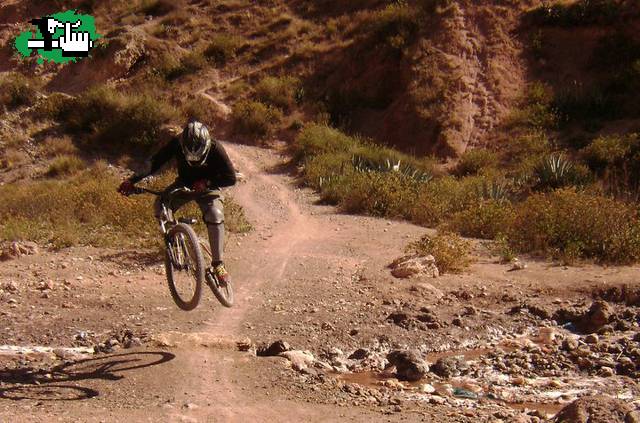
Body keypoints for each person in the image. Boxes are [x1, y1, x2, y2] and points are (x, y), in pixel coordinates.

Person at [118, 120, 236, 285]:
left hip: (209, 187)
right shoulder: (177, 143)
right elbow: (154, 163)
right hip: (184, 184)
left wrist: (206, 182)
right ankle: (177, 243)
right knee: (160, 206)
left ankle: (218, 265)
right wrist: (132, 180)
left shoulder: (216, 149)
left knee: (215, 214)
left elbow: (231, 178)